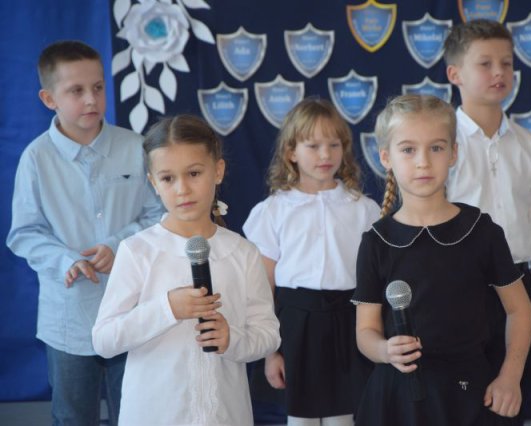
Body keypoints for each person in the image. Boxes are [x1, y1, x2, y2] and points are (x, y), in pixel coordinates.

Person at [5, 40, 164, 425]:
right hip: (69, 318)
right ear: (49, 99)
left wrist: (117, 245)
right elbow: (24, 233)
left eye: (98, 87)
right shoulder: (36, 158)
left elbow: (160, 214)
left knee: (137, 413)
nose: (91, 99)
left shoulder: (136, 147)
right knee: (73, 417)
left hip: (133, 310)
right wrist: (67, 260)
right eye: (76, 90)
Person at [352, 94, 531, 426]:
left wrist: (510, 375)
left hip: (470, 394)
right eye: (408, 149)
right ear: (385, 157)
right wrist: (384, 351)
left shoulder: (481, 231)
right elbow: (365, 330)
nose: (423, 162)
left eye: (435, 148)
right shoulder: (376, 242)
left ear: (453, 153)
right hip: (398, 400)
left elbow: (519, 310)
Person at [91, 114, 281, 426]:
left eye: (194, 173)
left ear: (217, 171)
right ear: (153, 182)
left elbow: (268, 335)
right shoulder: (138, 251)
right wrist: (167, 308)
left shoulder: (243, 252)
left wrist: (231, 338)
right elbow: (104, 340)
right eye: (168, 178)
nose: (182, 189)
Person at [443, 19, 531, 422]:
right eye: (485, 63)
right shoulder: (440, 145)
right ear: (455, 74)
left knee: (508, 404)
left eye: (507, 63)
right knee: (458, 404)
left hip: (519, 290)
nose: (499, 73)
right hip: (456, 288)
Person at [243, 97, 379, 426]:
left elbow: (375, 281)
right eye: (313, 145)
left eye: (334, 145)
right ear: (291, 151)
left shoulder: (363, 209)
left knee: (342, 418)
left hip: (348, 323)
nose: (325, 155)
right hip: (295, 326)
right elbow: (263, 288)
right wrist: (271, 352)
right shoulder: (274, 210)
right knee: (300, 419)